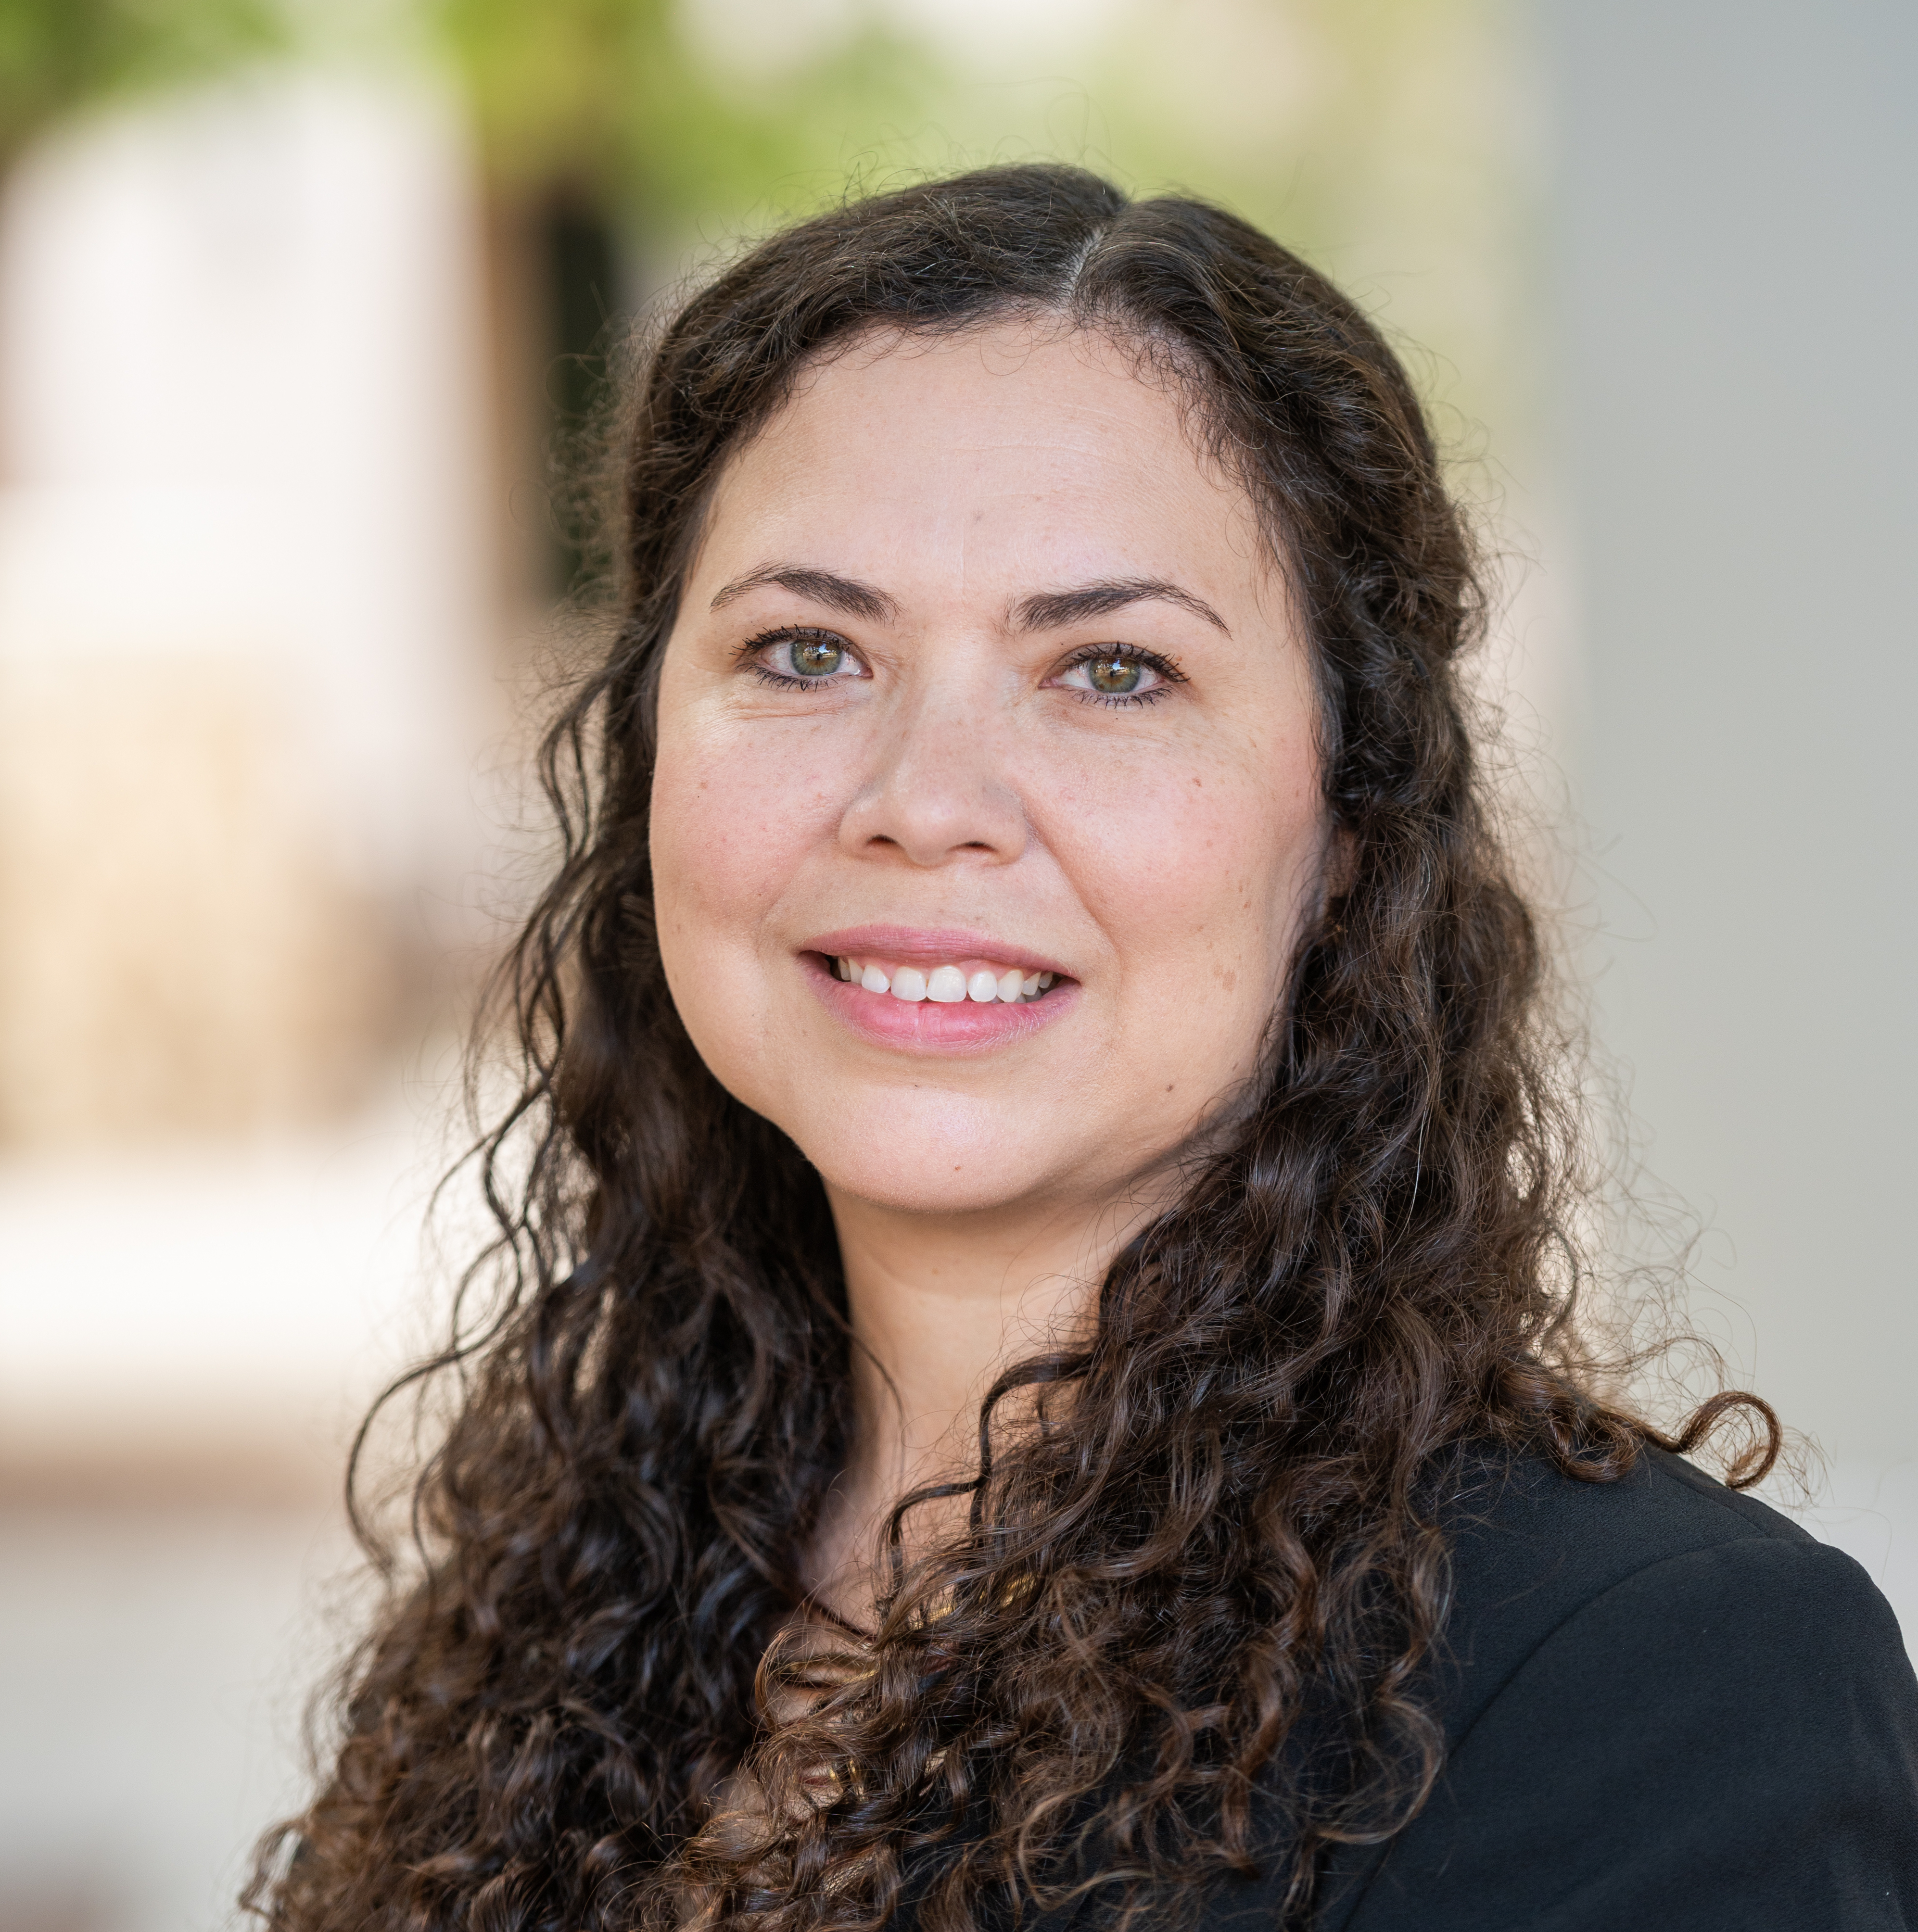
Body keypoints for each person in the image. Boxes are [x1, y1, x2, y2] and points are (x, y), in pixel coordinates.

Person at [247, 165, 1918, 1932]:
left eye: (1111, 671)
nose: (923, 805)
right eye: (806, 650)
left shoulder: (1657, 1685)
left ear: (1347, 832)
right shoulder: (570, 1603)